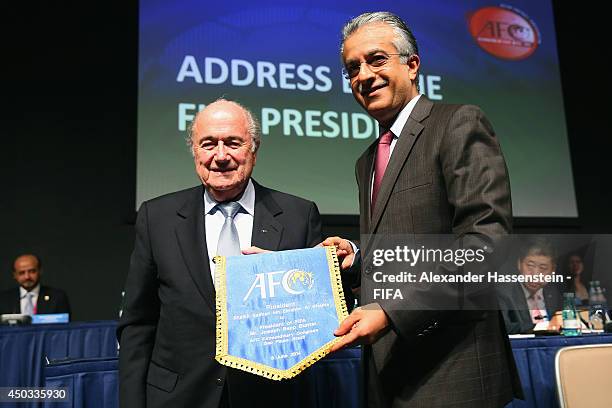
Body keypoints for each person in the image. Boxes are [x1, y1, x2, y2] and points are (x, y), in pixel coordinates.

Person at [322, 12, 522, 407]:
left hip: (454, 373)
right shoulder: (367, 160)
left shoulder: (458, 124)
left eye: (377, 59)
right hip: (391, 374)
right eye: (352, 68)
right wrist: (357, 261)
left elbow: (486, 245)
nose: (363, 75)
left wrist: (393, 313)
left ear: (412, 65)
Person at [117, 99, 322, 408]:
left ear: (254, 150)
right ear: (195, 152)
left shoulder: (298, 216)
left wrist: (282, 284)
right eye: (208, 144)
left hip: (269, 396)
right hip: (178, 397)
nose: (221, 156)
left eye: (233, 143)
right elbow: (138, 323)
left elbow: (316, 318)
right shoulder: (156, 217)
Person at [498, 238, 563, 334]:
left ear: (552, 270)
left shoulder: (555, 294)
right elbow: (503, 327)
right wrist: (543, 326)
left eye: (543, 268)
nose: (535, 274)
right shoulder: (504, 294)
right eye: (530, 266)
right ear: (519, 264)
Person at [0, 254, 71, 316]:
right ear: (14, 275)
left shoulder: (57, 297)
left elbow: (66, 328)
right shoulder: (3, 299)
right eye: (21, 273)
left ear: (40, 271)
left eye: (32, 271)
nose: (27, 277)